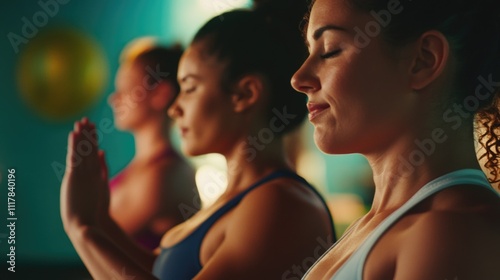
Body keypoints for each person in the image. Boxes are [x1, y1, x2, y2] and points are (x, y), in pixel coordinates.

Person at [60, 7, 336, 280]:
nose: (175, 108)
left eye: (190, 88)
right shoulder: (240, 198)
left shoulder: (281, 203)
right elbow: (157, 271)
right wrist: (98, 220)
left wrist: (82, 229)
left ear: (246, 93)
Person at [291, 0, 500, 279]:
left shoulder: (453, 231)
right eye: (309, 51)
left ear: (423, 60)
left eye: (330, 50)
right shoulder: (377, 224)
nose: (298, 78)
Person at [106, 40, 200, 250]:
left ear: (160, 94)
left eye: (126, 88)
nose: (114, 98)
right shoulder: (148, 167)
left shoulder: (165, 174)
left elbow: (98, 236)